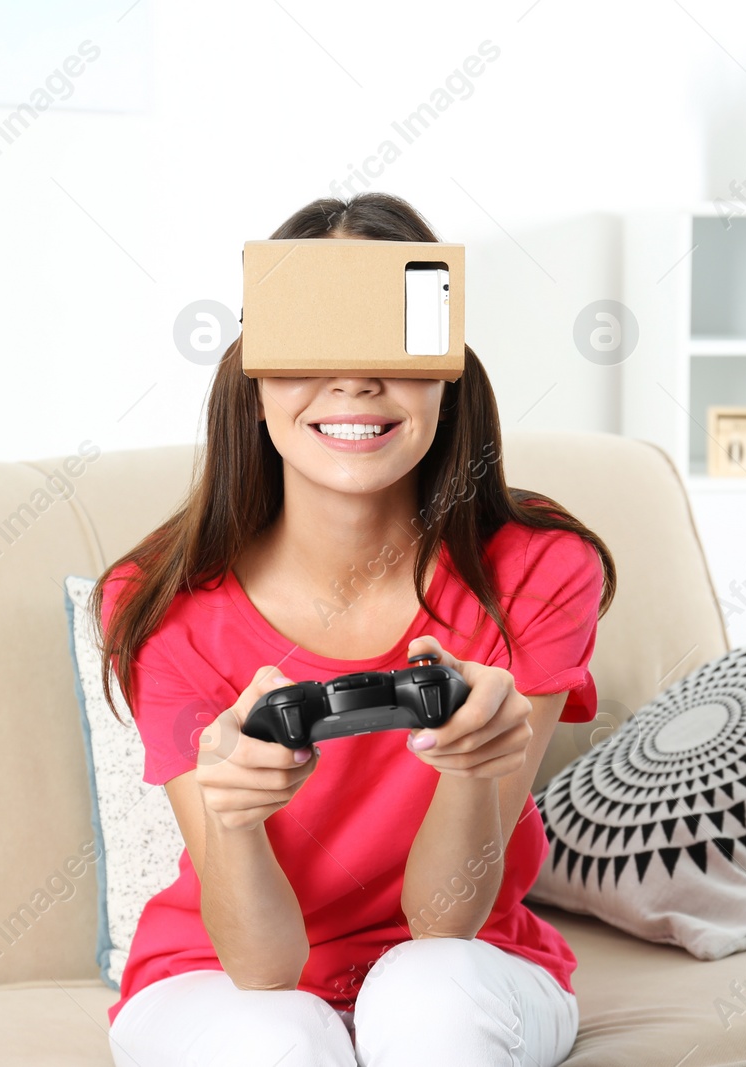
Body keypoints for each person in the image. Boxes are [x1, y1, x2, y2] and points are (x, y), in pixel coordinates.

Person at [92, 191, 617, 1066]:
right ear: (253, 377)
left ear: (447, 372)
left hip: (468, 963)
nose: (355, 380)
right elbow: (263, 966)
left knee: (427, 996)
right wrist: (235, 815)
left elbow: (446, 921)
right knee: (273, 1037)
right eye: (314, 343)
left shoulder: (537, 570)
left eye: (391, 343)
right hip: (222, 975)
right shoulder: (159, 599)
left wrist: (469, 768)